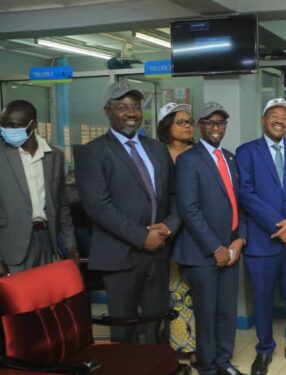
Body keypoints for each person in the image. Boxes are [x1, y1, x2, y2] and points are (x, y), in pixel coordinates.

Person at [75, 82, 181, 343]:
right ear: (107, 111)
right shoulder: (93, 152)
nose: (130, 113)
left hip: (157, 253)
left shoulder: (156, 149)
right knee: (125, 328)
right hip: (119, 254)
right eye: (122, 107)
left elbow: (175, 195)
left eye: (134, 107)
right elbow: (98, 206)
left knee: (158, 323)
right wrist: (141, 236)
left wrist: (168, 227)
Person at [236, 98, 286, 375]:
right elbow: (246, 193)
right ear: (263, 119)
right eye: (274, 115)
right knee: (262, 299)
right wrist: (280, 226)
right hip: (263, 242)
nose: (280, 120)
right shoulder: (246, 152)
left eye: (285, 117)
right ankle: (264, 349)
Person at [173, 102, 246, 375]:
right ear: (201, 126)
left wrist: (239, 241)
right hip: (203, 253)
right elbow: (189, 210)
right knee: (206, 313)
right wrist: (215, 247)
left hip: (232, 250)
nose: (216, 128)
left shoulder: (230, 158)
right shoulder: (188, 160)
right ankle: (208, 367)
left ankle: (224, 362)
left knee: (226, 312)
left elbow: (239, 204)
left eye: (221, 123)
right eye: (210, 123)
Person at [0, 100, 77, 273]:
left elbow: (62, 204)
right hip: (11, 247)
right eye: (3, 125)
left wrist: (71, 244)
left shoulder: (54, 155)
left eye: (13, 125)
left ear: (32, 124)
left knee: (44, 297)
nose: (6, 131)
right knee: (17, 299)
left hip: (46, 242)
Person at [156, 102, 197, 366]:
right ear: (166, 126)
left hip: (193, 234)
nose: (188, 126)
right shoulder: (156, 153)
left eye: (189, 121)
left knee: (192, 293)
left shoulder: (198, 154)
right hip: (161, 235)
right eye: (181, 122)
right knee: (169, 293)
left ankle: (193, 346)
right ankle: (169, 346)